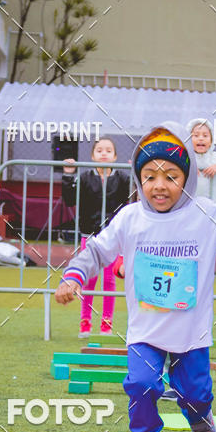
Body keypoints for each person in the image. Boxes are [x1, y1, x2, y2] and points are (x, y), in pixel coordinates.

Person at [55, 124, 216, 432]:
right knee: (140, 385)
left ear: (186, 179)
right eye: (150, 176)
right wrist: (73, 276)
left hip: (191, 332)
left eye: (171, 176)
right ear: (139, 180)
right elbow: (96, 250)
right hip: (144, 331)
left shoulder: (204, 213)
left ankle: (201, 419)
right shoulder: (129, 218)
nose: (159, 185)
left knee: (195, 393)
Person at [61, 137, 131, 337]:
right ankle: (85, 322)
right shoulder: (84, 177)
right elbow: (69, 199)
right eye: (99, 150)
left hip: (113, 238)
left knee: (109, 280)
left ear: (115, 156)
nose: (104, 153)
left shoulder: (123, 178)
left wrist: (136, 173)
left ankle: (106, 323)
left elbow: (134, 198)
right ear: (92, 155)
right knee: (89, 279)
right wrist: (68, 175)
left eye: (109, 150)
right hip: (89, 235)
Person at [188, 118, 216, 204]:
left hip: (213, 210)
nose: (201, 139)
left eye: (205, 135)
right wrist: (187, 165)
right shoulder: (185, 157)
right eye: (196, 135)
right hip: (189, 210)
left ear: (211, 141)